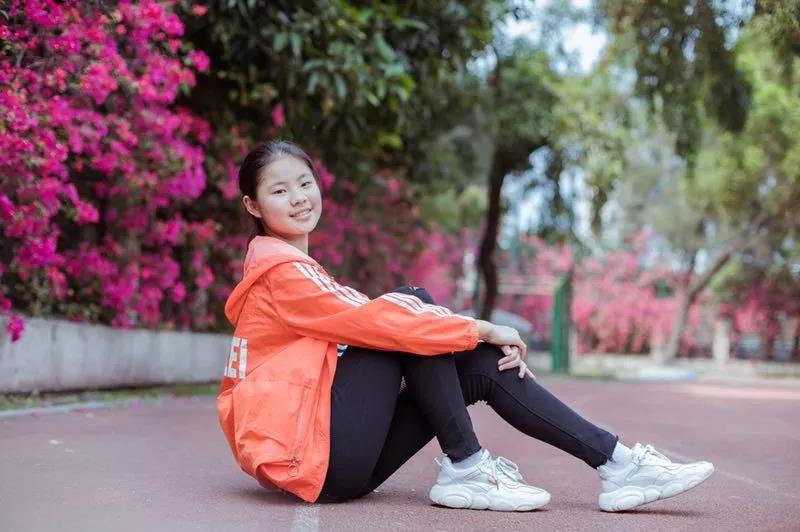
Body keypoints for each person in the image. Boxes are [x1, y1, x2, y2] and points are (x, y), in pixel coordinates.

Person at [216, 139, 715, 513]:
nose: (299, 197)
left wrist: (475, 339)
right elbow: (376, 321)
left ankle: (617, 464)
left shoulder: (294, 270)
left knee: (479, 365)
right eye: (279, 190)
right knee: (411, 307)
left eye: (305, 183)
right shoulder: (281, 274)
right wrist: (481, 327)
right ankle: (467, 465)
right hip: (315, 459)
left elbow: (366, 325)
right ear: (253, 206)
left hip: (333, 459)